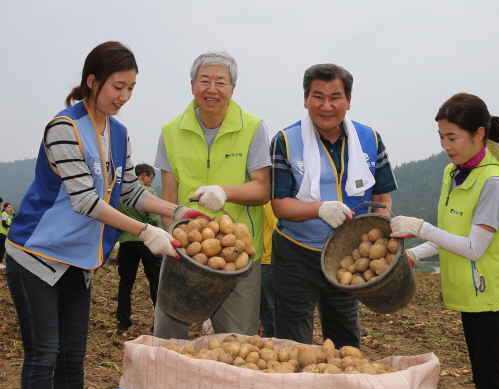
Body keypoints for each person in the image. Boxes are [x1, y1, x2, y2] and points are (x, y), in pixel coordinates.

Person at [4, 41, 206, 389]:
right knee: (44, 353)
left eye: (131, 88)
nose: (124, 96)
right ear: (92, 81)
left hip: (79, 258)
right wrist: (146, 232)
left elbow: (129, 190)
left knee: (72, 354)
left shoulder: (119, 133)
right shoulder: (64, 128)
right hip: (37, 254)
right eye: (117, 87)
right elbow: (85, 200)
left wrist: (177, 210)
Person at [390, 93, 499, 389]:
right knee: (482, 377)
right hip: (470, 295)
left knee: (491, 382)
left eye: (452, 137)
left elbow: (474, 247)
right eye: (441, 137)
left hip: (492, 298)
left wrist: (421, 227)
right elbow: (452, 232)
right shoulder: (453, 173)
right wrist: (415, 253)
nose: (445, 146)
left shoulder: (493, 183)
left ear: (479, 134)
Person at [270, 63, 398, 349]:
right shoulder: (285, 141)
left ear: (348, 101)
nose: (326, 106)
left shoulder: (370, 140)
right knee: (292, 345)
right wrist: (318, 208)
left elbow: (381, 198)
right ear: (306, 99)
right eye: (318, 96)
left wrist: (377, 232)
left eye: (335, 97)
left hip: (349, 256)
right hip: (295, 254)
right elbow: (279, 205)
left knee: (345, 343)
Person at [153, 50, 271, 339]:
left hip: (238, 255)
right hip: (186, 249)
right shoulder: (171, 131)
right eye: (205, 80)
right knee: (167, 336)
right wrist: (171, 241)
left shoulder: (253, 127)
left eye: (221, 82)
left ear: (232, 89)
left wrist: (225, 192)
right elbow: (168, 194)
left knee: (236, 341)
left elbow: (263, 188)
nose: (212, 89)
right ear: (192, 85)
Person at [115, 163, 163, 332]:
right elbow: (154, 219)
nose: (151, 181)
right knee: (155, 282)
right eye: (151, 177)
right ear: (143, 176)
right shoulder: (148, 194)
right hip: (146, 241)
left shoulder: (120, 194)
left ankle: (123, 322)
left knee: (126, 283)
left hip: (126, 242)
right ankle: (158, 322)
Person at [260, 202, 277, 337]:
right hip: (259, 261)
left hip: (270, 261)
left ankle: (280, 340)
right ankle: (269, 339)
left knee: (273, 309)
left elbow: (277, 228)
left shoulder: (270, 202)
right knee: (263, 310)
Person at [0, 202, 14, 267]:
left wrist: (13, 213)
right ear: (5, 208)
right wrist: (10, 226)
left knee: (2, 248)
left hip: (4, 233)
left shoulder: (7, 215)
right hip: (1, 233)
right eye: (8, 207)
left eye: (11, 207)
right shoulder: (4, 214)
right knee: (2, 248)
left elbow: (14, 220)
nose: (10, 208)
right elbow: (4, 224)